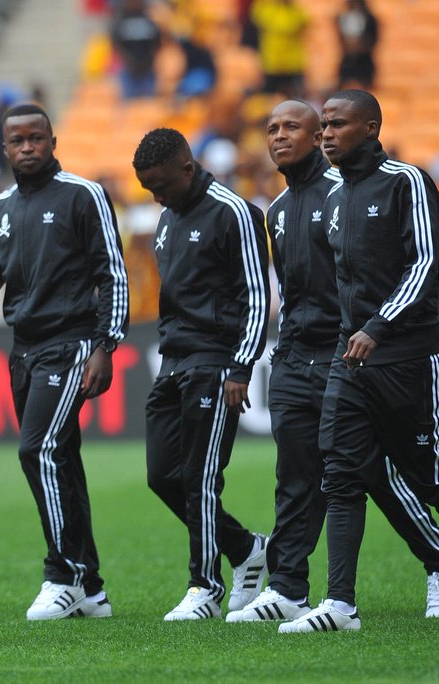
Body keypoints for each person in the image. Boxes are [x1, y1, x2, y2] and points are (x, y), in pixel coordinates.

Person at [280, 89, 439, 633]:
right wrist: (349, 335)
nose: (327, 134)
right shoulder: (336, 198)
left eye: (338, 124)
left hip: (408, 355)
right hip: (350, 357)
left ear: (372, 126)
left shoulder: (407, 181)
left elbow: (426, 262)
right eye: (325, 126)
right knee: (340, 472)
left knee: (433, 478)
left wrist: (378, 327)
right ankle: (340, 604)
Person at [228, 100, 439, 625]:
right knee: (295, 474)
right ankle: (288, 587)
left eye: (292, 126)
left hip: (346, 353)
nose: (278, 137)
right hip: (295, 356)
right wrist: (278, 350)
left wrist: (368, 335)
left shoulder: (344, 192)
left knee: (373, 472)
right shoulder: (278, 210)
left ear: (318, 137)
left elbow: (365, 279)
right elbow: (291, 292)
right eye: (271, 129)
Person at [0, 102, 129, 620]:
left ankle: (61, 573)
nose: (27, 148)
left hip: (71, 344)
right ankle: (90, 588)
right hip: (23, 350)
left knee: (37, 451)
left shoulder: (83, 196)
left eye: (36, 139)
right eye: (17, 141)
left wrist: (106, 344)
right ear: (4, 148)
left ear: (52, 141)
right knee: (60, 458)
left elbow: (112, 271)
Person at [132, 127, 271, 621]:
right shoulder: (168, 217)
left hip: (216, 362)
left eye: (161, 184)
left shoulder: (233, 212)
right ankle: (247, 547)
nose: (156, 195)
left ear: (187, 169)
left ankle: (205, 585)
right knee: (162, 476)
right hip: (174, 361)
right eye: (148, 188)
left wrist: (241, 365)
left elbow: (257, 295)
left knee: (201, 476)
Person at [335, 0, 378, 88]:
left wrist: (360, 45)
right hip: (348, 62)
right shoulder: (344, 18)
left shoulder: (369, 18)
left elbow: (373, 39)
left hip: (363, 63)